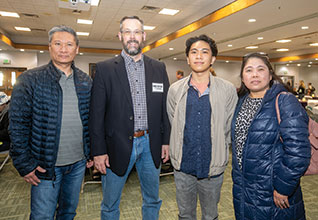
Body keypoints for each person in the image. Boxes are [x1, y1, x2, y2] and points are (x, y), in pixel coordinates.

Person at [89, 16, 170, 220]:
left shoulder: (158, 68)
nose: (132, 37)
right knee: (110, 204)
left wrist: (166, 141)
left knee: (152, 200)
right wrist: (98, 152)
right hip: (116, 146)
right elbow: (96, 114)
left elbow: (164, 110)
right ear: (120, 36)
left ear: (143, 36)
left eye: (136, 32)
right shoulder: (105, 69)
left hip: (151, 144)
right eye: (127, 32)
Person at [9, 25, 93, 219]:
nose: (63, 49)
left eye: (69, 44)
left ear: (77, 49)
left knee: (68, 213)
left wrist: (91, 151)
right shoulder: (30, 80)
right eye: (58, 43)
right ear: (49, 47)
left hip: (78, 164)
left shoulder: (85, 81)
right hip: (45, 166)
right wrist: (24, 163)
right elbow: (17, 125)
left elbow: (90, 121)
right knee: (42, 216)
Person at [231, 52, 311, 220]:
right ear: (242, 77)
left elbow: (299, 152)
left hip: (273, 191)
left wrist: (283, 187)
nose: (255, 74)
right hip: (244, 189)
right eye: (249, 70)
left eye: (260, 69)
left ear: (270, 74)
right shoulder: (241, 101)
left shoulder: (284, 101)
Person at [167, 34, 238, 220]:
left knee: (210, 215)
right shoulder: (175, 90)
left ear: (213, 58)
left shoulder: (227, 90)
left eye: (204, 52)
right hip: (183, 166)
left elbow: (230, 126)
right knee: (185, 215)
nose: (199, 56)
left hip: (212, 168)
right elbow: (172, 121)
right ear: (188, 58)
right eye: (194, 52)